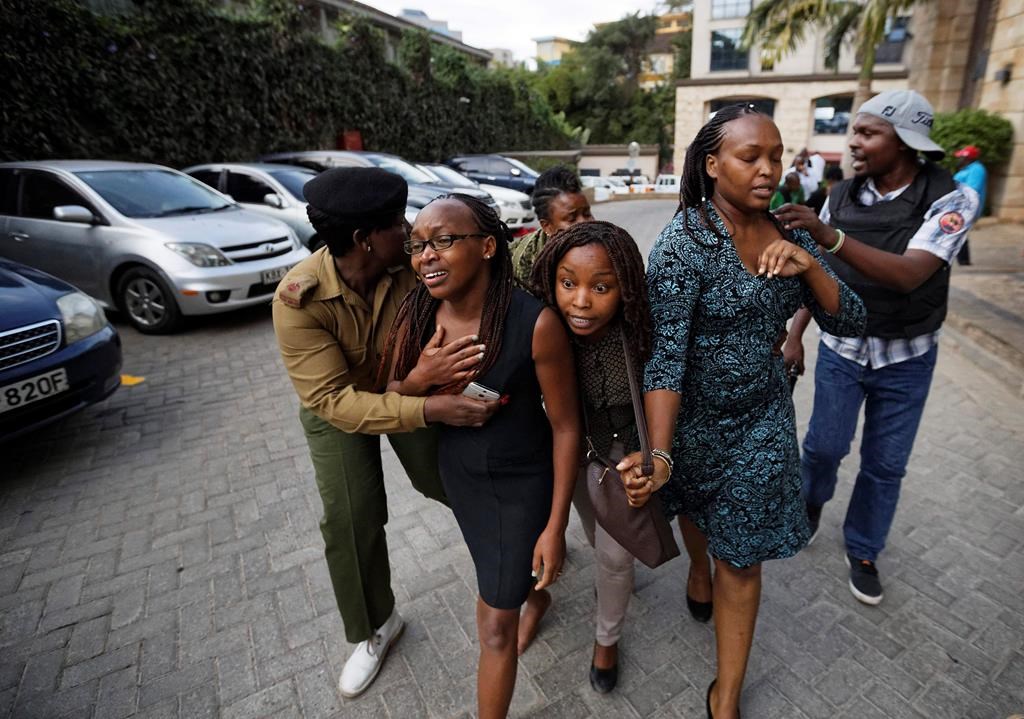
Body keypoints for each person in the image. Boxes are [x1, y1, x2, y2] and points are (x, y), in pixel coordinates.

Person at [618, 103, 865, 719]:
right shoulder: (683, 243)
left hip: (762, 419)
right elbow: (665, 360)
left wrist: (811, 266)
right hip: (694, 420)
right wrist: (661, 451)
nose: (768, 170)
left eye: (776, 157)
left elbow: (852, 319)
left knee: (743, 557)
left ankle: (725, 695)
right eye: (749, 156)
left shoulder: (791, 231)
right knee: (697, 512)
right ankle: (696, 568)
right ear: (712, 164)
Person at [272, 168, 499, 698]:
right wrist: (427, 399)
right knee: (352, 517)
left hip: (416, 388)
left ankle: (517, 547)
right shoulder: (297, 301)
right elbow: (335, 402)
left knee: (446, 476)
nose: (408, 230)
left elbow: (481, 268)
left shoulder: (412, 265)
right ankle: (375, 628)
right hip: (347, 408)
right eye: (396, 223)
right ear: (364, 240)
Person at [775, 89, 980, 606]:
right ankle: (811, 503)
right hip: (843, 350)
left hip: (907, 358)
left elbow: (912, 274)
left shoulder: (952, 199)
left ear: (906, 143)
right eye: (856, 131)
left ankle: (864, 548)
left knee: (885, 464)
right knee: (823, 446)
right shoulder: (840, 195)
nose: (854, 141)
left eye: (868, 132)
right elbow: (816, 273)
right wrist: (796, 333)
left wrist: (830, 236)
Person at [383, 194, 580, 719]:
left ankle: (519, 604)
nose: (427, 255)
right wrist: (421, 383)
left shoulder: (535, 323)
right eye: (418, 245)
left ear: (488, 246)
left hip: (522, 481)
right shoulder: (418, 312)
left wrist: (556, 527)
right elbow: (391, 391)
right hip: (462, 477)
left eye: (444, 241)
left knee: (495, 625)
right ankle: (532, 596)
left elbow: (565, 427)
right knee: (500, 571)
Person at [528, 220, 651, 694]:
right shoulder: (545, 325)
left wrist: (652, 449)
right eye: (567, 284)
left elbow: (667, 393)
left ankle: (607, 640)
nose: (580, 301)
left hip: (621, 453)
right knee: (590, 526)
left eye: (601, 287)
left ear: (625, 287)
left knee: (616, 556)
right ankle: (608, 573)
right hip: (570, 450)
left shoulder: (644, 328)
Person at [511, 165, 594, 285]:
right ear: (547, 226)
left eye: (587, 213)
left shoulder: (607, 247)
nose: (585, 223)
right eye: (571, 218)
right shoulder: (525, 263)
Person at [952, 145, 987, 265]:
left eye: (961, 157)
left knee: (959, 232)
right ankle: (962, 260)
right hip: (959, 205)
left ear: (968, 157)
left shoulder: (977, 169)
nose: (959, 159)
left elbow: (972, 188)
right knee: (957, 231)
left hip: (966, 206)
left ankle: (964, 261)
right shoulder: (967, 168)